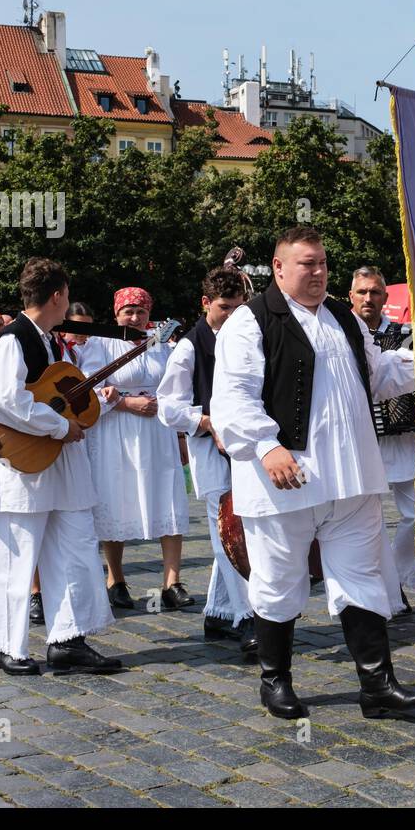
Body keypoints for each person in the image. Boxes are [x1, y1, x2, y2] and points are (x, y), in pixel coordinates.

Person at [210, 225, 415, 720]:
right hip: (285, 479)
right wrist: (267, 447)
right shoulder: (250, 322)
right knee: (279, 579)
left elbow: (380, 376)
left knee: (364, 576)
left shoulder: (343, 318)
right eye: (306, 263)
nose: (317, 272)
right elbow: (231, 399)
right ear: (279, 267)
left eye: (322, 263)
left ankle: (377, 684)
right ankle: (276, 681)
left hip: (351, 477)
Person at [0, 257, 121, 676]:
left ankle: (67, 638)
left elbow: (44, 393)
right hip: (25, 464)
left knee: (74, 549)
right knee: (18, 555)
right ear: (57, 296)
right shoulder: (13, 339)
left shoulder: (49, 340)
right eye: (68, 294)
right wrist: (58, 425)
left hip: (60, 465)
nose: (68, 302)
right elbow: (1, 399)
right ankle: (8, 646)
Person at [157, 265, 258, 650]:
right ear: (205, 304)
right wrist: (204, 421)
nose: (232, 315)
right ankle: (249, 618)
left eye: (238, 307)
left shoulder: (248, 337)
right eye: (224, 307)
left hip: (245, 448)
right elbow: (168, 407)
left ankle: (218, 614)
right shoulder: (189, 346)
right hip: (209, 450)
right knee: (225, 533)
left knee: (238, 530)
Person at [80, 287, 192, 611]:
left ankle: (172, 582)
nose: (134, 317)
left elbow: (177, 388)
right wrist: (126, 402)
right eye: (128, 311)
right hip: (117, 432)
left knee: (168, 498)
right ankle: (115, 580)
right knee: (117, 499)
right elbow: (88, 388)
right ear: (116, 313)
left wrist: (180, 432)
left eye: (140, 311)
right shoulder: (100, 344)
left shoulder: (160, 346)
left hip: (158, 432)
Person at [349, 266, 415, 618]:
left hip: (403, 434)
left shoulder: (405, 334)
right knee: (365, 519)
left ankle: (394, 578)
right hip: (360, 437)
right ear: (351, 295)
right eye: (362, 292)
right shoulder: (342, 332)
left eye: (375, 292)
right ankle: (379, 590)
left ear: (384, 296)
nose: (368, 298)